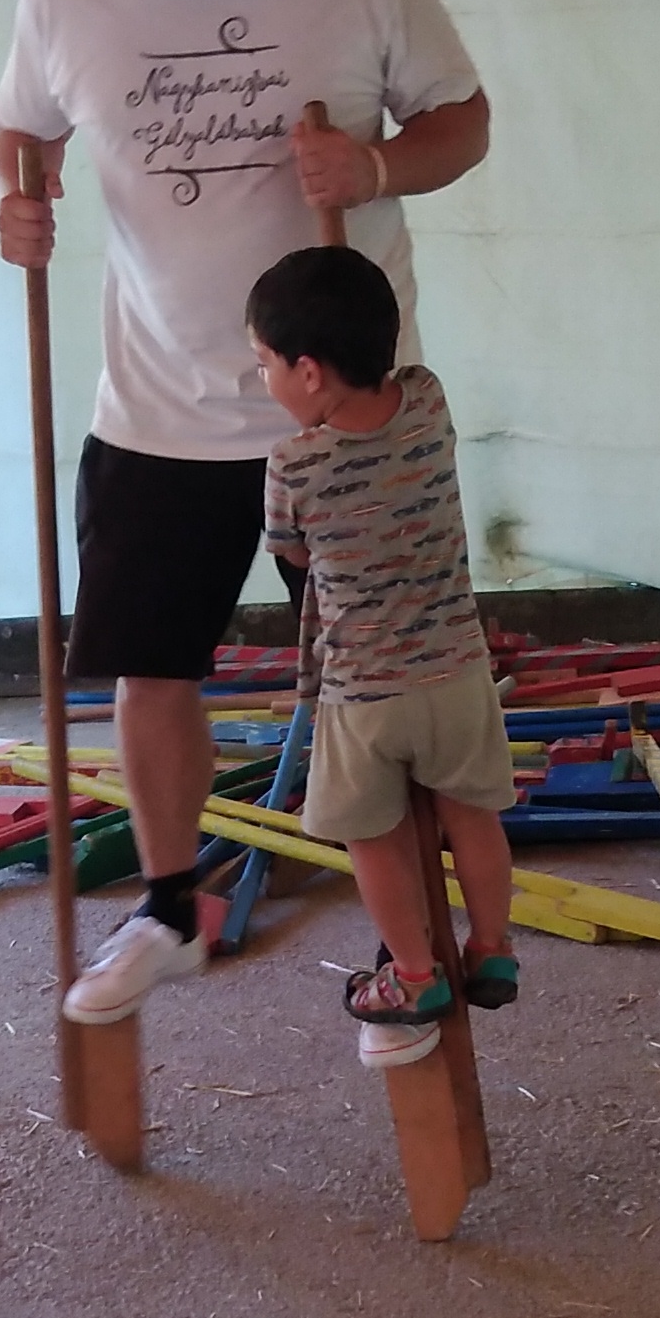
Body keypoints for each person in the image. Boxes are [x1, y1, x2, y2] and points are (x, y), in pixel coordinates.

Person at [0, 0, 490, 1023]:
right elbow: (23, 126)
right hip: (157, 400)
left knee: (390, 683)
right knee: (148, 668)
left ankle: (417, 952)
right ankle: (168, 911)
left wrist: (373, 166)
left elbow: (462, 121)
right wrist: (21, 195)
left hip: (343, 408)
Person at [249, 246, 517, 1067]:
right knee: (472, 814)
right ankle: (493, 948)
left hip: (363, 692)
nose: (261, 378)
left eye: (263, 363)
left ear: (307, 372)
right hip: (459, 669)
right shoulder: (429, 400)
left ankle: (412, 973)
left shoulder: (294, 463)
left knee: (372, 836)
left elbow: (292, 552)